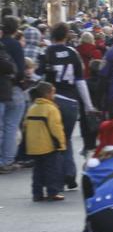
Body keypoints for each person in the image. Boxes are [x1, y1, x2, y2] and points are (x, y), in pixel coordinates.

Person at [37, 22, 97, 190]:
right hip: (71, 102)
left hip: (52, 101)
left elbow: (37, 77)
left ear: (52, 35)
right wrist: (88, 105)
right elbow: (80, 82)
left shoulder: (47, 52)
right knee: (66, 138)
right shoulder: (73, 53)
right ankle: (69, 172)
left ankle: (58, 176)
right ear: (66, 36)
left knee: (54, 141)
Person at [23, 81, 66, 201]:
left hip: (33, 146)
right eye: (53, 92)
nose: (54, 95)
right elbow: (56, 128)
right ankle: (53, 192)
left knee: (37, 171)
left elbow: (25, 125)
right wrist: (61, 144)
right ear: (48, 94)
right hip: (48, 145)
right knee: (52, 170)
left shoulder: (32, 107)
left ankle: (37, 194)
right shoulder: (51, 109)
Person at [0, 16, 26, 172]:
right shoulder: (15, 45)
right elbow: (20, 70)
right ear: (16, 29)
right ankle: (7, 160)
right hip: (12, 88)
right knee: (11, 126)